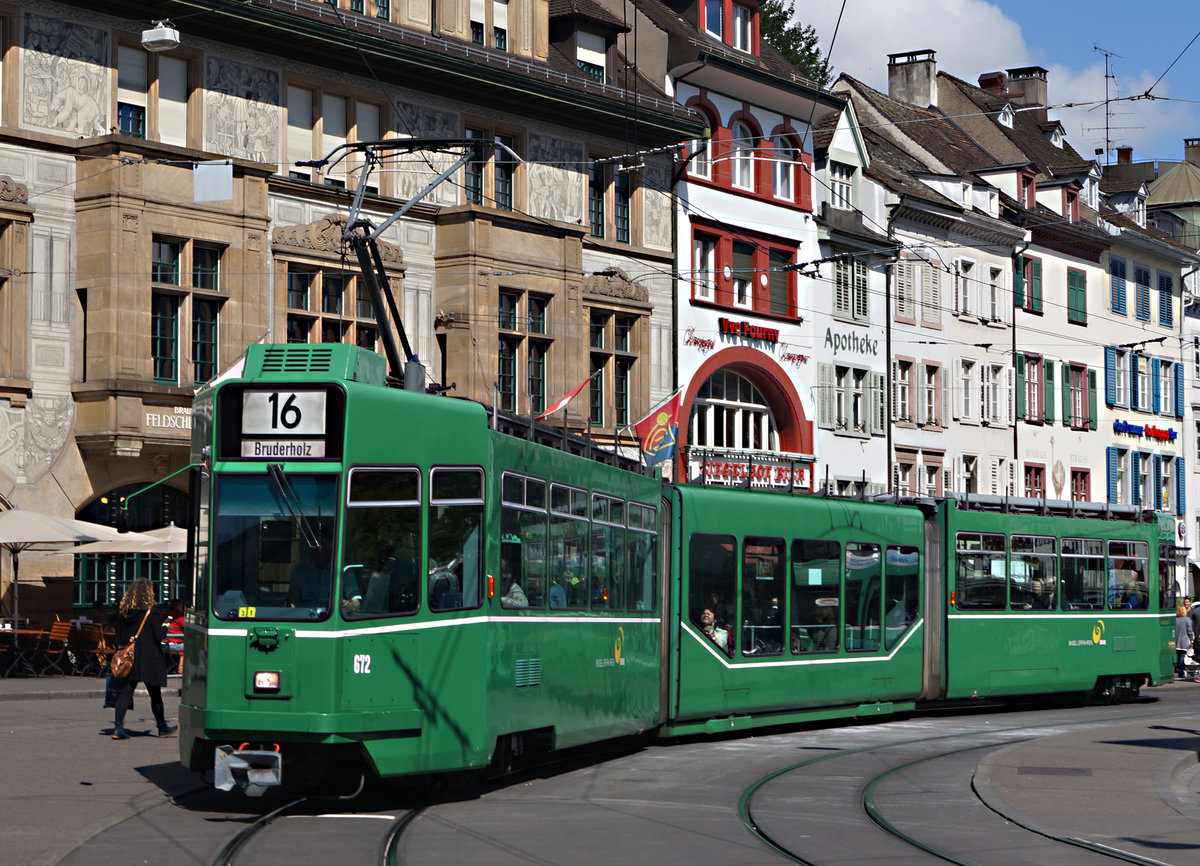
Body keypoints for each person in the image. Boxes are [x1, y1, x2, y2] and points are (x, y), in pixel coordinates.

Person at [111, 578, 177, 740]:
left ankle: (118, 728)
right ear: (148, 593)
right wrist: (165, 627)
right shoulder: (151, 613)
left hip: (130, 657)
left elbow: (117, 636)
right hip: (149, 658)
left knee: (126, 692)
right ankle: (162, 727)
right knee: (155, 694)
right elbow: (159, 636)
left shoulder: (123, 612)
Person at [1176, 604, 1194, 679]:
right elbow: (1189, 631)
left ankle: (1180, 671)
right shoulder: (1187, 619)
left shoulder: (1175, 620)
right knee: (1184, 657)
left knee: (1178, 656)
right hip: (1185, 641)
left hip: (1176, 641)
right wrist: (1192, 640)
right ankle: (1185, 671)